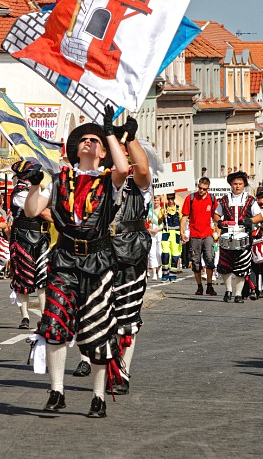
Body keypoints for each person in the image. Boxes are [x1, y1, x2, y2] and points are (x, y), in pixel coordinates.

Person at [24, 106, 129, 418]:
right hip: (65, 260)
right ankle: (56, 390)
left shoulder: (109, 180)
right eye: (84, 139)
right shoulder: (59, 179)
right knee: (54, 323)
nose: (89, 142)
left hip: (98, 261)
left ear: (102, 151)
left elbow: (123, 169)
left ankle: (98, 396)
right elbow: (31, 211)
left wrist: (109, 132)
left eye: (94, 140)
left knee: (97, 331)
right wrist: (33, 185)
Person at [108, 119, 153, 396]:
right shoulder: (98, 183)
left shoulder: (140, 185)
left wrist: (129, 139)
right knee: (98, 314)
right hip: (99, 253)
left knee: (127, 315)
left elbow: (143, 169)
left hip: (130, 253)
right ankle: (94, 359)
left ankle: (122, 370)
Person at [9, 160, 52, 329]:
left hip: (42, 237)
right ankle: (25, 316)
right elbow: (41, 211)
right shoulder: (20, 193)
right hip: (23, 238)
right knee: (23, 278)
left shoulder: (41, 191)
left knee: (43, 277)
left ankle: (44, 315)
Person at [214, 171, 262, 303]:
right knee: (225, 265)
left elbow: (259, 216)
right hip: (227, 235)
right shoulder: (224, 200)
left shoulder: (250, 200)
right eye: (235, 184)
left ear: (244, 185)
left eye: (240, 184)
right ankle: (228, 290)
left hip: (244, 236)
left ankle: (238, 294)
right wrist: (219, 222)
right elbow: (216, 215)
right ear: (231, 184)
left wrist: (251, 221)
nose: (238, 186)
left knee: (242, 266)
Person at [180, 177, 219, 296]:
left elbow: (216, 216)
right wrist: (182, 232)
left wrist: (218, 231)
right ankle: (199, 287)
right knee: (196, 262)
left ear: (208, 188)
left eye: (204, 189)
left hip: (208, 234)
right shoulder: (190, 198)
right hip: (195, 235)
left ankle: (210, 286)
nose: (201, 191)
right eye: (199, 188)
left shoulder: (212, 199)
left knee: (210, 260)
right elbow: (185, 216)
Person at [158, 194, 182, 281]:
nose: (170, 200)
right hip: (166, 233)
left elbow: (182, 221)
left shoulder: (178, 209)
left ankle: (173, 273)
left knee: (175, 254)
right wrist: (162, 217)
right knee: (165, 253)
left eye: (172, 198)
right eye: (169, 198)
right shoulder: (163, 209)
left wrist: (182, 234)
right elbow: (159, 221)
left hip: (176, 234)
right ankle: (165, 273)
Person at [147, 195, 162, 280]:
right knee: (152, 253)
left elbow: (163, 223)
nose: (156, 202)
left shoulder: (162, 210)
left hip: (159, 232)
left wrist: (158, 229)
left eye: (157, 200)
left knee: (159, 252)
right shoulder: (150, 210)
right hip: (151, 233)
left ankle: (160, 268)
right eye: (155, 200)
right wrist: (150, 226)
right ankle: (154, 273)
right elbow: (147, 222)